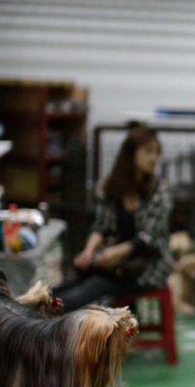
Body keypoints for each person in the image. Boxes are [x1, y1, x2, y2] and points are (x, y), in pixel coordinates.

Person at [55, 123, 173, 311]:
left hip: (149, 266)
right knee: (76, 280)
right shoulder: (111, 187)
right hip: (115, 264)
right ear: (131, 153)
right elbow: (101, 225)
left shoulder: (160, 190)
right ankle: (40, 306)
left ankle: (46, 312)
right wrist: (88, 251)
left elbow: (149, 237)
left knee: (96, 284)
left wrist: (116, 252)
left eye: (157, 153)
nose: (154, 158)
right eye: (148, 151)